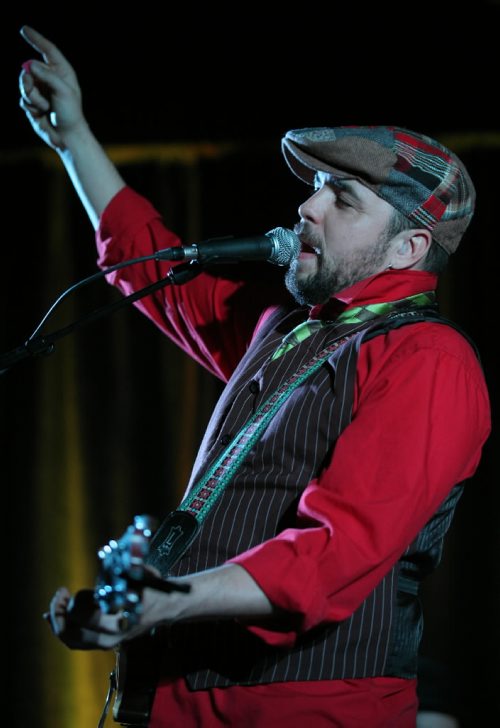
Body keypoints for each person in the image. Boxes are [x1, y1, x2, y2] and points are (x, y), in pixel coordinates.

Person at [19, 26, 491, 728]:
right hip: (185, 703)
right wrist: (75, 140)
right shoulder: (287, 330)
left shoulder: (427, 359)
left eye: (343, 198)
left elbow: (336, 552)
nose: (306, 207)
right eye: (316, 189)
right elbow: (156, 272)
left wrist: (167, 598)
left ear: (409, 247)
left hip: (302, 711)